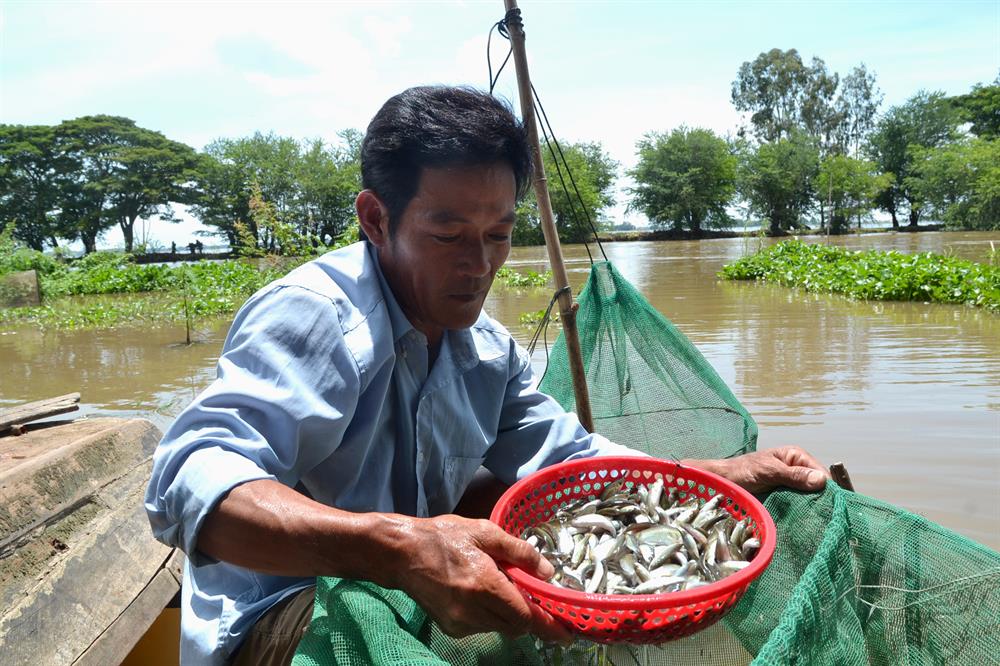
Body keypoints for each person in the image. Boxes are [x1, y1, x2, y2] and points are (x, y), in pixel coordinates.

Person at [145, 86, 830, 665]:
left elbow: (572, 460)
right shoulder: (318, 318)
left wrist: (717, 475)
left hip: (409, 588)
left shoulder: (487, 352)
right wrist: (396, 547)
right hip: (280, 620)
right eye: (448, 234)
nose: (479, 264)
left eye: (499, 234)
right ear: (376, 219)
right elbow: (187, 479)